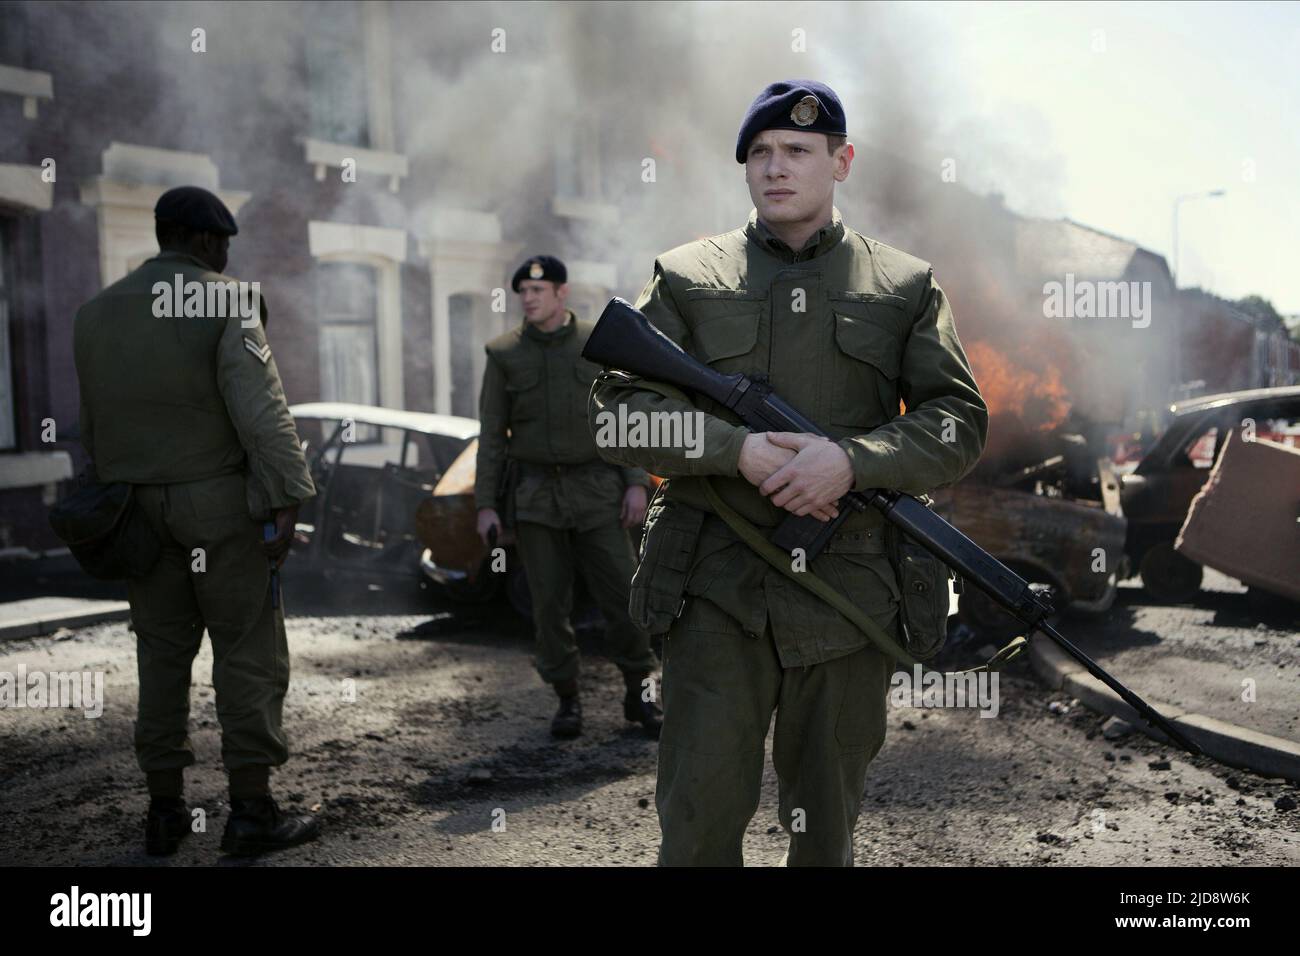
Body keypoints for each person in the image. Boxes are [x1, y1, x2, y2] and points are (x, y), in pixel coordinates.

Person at [589, 80, 989, 865]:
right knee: (698, 823)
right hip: (714, 591)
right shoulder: (686, 275)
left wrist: (852, 462)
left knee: (825, 829)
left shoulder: (904, 285)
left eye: (798, 152)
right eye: (761, 154)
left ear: (842, 162)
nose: (777, 169)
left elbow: (957, 420)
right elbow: (616, 415)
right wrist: (729, 448)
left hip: (848, 599)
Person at [73, 185, 320, 857]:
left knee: (159, 655)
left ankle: (163, 812)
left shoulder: (95, 314)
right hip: (217, 511)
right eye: (224, 247)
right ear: (208, 242)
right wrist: (288, 493)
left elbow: (91, 431)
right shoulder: (227, 300)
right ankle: (250, 813)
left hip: (135, 515)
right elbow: (261, 411)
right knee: (246, 653)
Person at [475, 255, 663, 739]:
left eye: (539, 291)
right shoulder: (503, 355)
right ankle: (567, 700)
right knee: (548, 604)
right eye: (523, 292)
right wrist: (486, 505)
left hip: (597, 489)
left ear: (561, 293)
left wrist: (636, 483)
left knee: (624, 594)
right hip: (536, 496)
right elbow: (492, 436)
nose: (529, 299)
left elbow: (622, 418)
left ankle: (639, 695)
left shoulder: (594, 346)